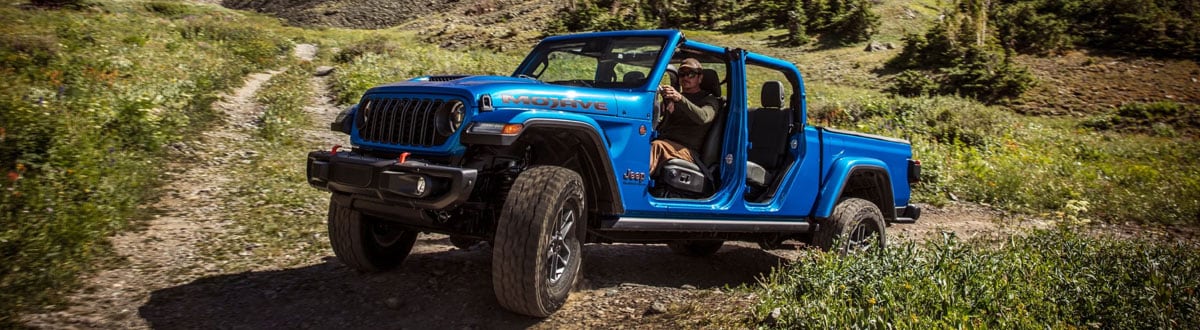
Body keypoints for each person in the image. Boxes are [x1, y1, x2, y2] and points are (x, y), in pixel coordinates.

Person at [650, 58, 722, 175]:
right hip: (667, 143)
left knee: (657, 147)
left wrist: (680, 99)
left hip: (688, 151)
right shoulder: (675, 97)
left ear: (700, 78)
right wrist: (663, 103)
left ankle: (629, 188)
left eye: (691, 74)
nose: (686, 78)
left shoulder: (710, 100)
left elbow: (703, 117)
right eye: (682, 74)